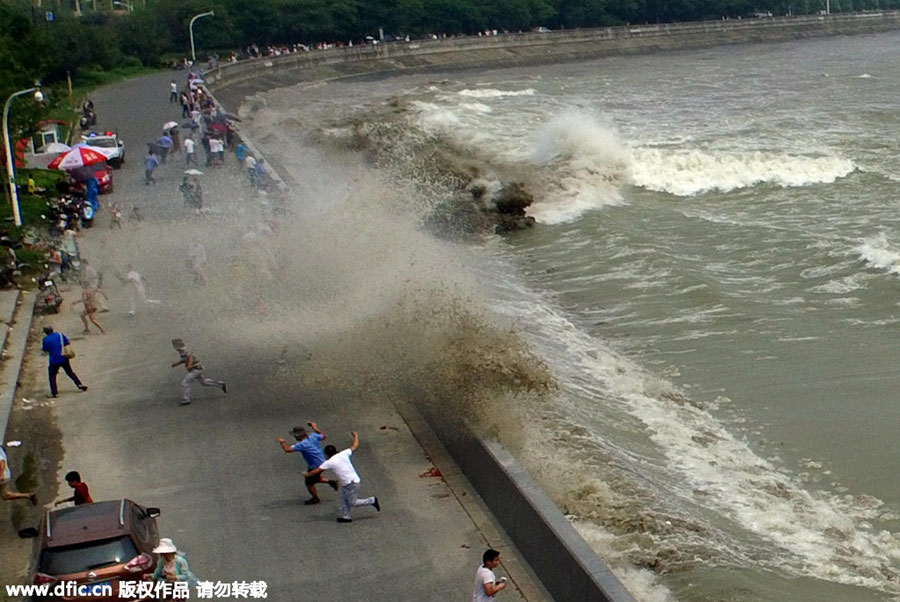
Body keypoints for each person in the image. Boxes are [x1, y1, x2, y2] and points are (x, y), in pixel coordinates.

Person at [305, 432, 380, 523]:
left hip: (351, 483)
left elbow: (317, 470)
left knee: (353, 502)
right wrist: (355, 436)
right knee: (344, 499)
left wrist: (308, 474)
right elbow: (354, 446)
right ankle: (346, 516)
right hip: (351, 481)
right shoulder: (343, 453)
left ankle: (371, 500)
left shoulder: (330, 462)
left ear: (327, 454)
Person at [277, 423, 338, 505]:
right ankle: (331, 482)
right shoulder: (313, 436)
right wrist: (315, 428)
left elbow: (287, 449)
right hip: (322, 460)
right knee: (315, 478)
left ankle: (315, 498)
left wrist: (282, 442)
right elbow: (323, 435)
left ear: (298, 436)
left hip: (315, 465)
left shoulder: (302, 445)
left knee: (309, 483)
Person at [170, 338, 226, 405]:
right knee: (204, 382)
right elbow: (184, 359)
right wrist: (177, 363)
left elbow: (190, 357)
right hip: (197, 369)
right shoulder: (181, 352)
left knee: (185, 382)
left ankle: (185, 399)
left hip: (196, 369)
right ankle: (220, 384)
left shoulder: (184, 350)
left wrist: (189, 365)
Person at [40, 325, 88, 397]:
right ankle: (79, 384)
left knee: (52, 376)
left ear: (46, 332)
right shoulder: (60, 335)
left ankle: (54, 392)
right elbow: (67, 342)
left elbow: (45, 349)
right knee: (70, 372)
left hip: (54, 360)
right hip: (64, 357)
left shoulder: (45, 339)